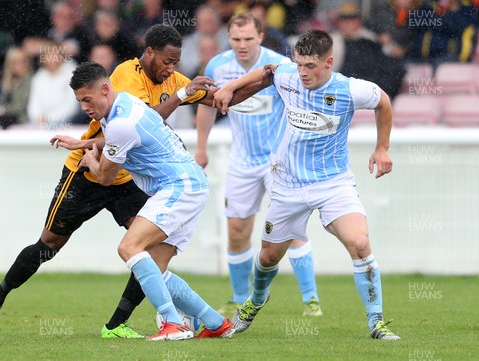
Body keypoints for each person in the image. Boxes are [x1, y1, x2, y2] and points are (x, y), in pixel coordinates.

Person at [0, 24, 258, 339]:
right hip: (89, 175)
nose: (171, 68)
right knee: (50, 244)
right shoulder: (125, 77)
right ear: (149, 53)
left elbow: (221, 99)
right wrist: (84, 147)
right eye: (166, 61)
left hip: (125, 176)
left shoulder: (173, 82)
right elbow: (137, 125)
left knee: (140, 250)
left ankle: (123, 323)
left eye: (176, 62)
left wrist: (264, 80)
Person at [213, 29, 401, 340]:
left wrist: (382, 147)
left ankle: (377, 322)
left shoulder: (351, 90)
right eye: (299, 64)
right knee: (268, 257)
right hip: (287, 186)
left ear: (328, 62)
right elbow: (267, 72)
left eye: (310, 66)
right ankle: (256, 300)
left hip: (333, 184)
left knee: (360, 243)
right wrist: (229, 87)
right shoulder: (288, 74)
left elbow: (383, 101)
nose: (302, 72)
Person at [72, 61, 235, 341]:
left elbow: (106, 178)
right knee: (156, 269)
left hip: (178, 186)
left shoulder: (119, 124)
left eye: (87, 99)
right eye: (80, 101)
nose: (85, 107)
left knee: (129, 247)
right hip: (190, 183)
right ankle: (214, 321)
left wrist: (90, 160)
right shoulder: (125, 102)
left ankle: (173, 323)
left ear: (104, 89)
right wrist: (87, 145)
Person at [195, 12, 323, 318]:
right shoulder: (216, 66)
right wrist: (200, 147)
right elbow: (206, 106)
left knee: (290, 230)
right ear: (229, 38)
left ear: (261, 37)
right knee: (237, 231)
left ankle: (310, 299)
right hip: (241, 161)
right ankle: (240, 296)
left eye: (248, 39)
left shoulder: (280, 66)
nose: (242, 45)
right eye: (236, 39)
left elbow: (301, 104)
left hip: (278, 162)